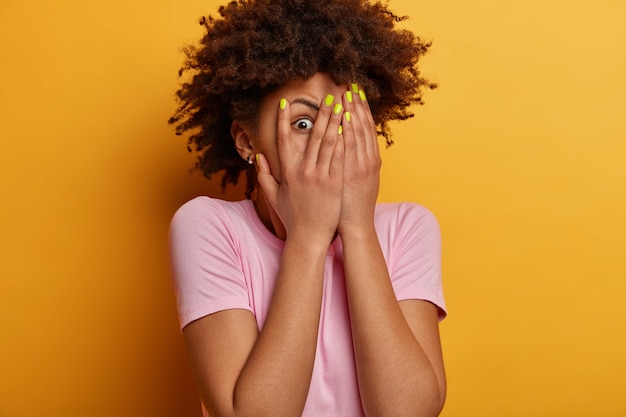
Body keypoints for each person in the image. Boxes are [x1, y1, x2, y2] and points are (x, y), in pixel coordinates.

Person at [168, 0, 447, 416]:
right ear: (247, 142)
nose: (329, 140)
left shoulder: (407, 228)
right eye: (303, 123)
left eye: (344, 121)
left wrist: (357, 228)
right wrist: (309, 236)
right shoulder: (208, 226)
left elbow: (408, 412)